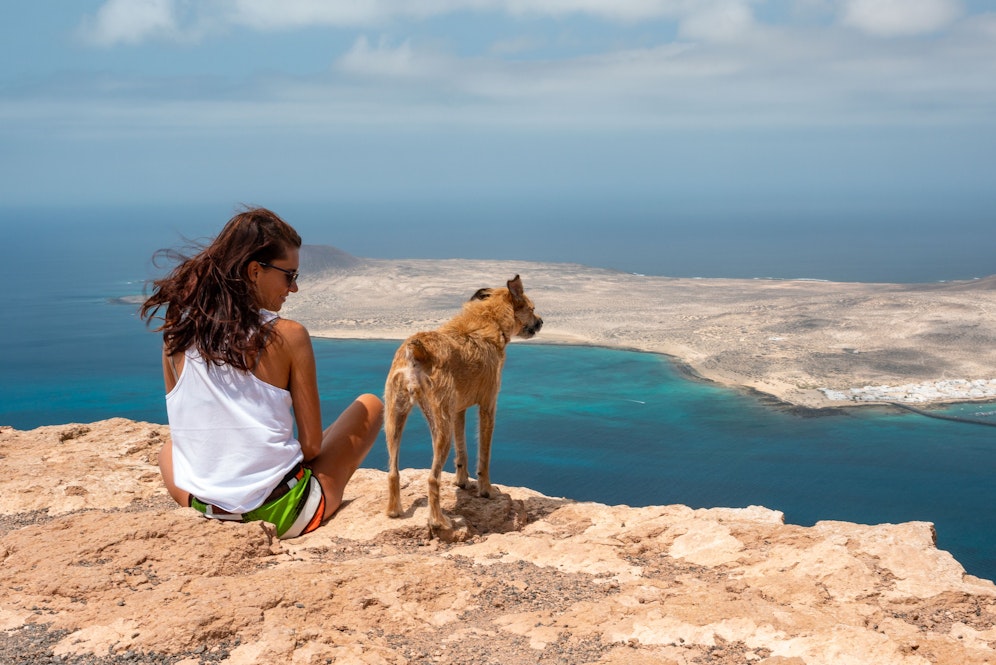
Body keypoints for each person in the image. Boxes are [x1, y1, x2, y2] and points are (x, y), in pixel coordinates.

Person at [141, 207, 383, 538]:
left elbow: (188, 438)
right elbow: (311, 449)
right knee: (372, 406)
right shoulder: (289, 335)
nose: (293, 288)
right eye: (290, 276)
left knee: (169, 450)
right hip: (286, 515)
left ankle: (224, 507)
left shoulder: (175, 337)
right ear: (255, 271)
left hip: (207, 512)